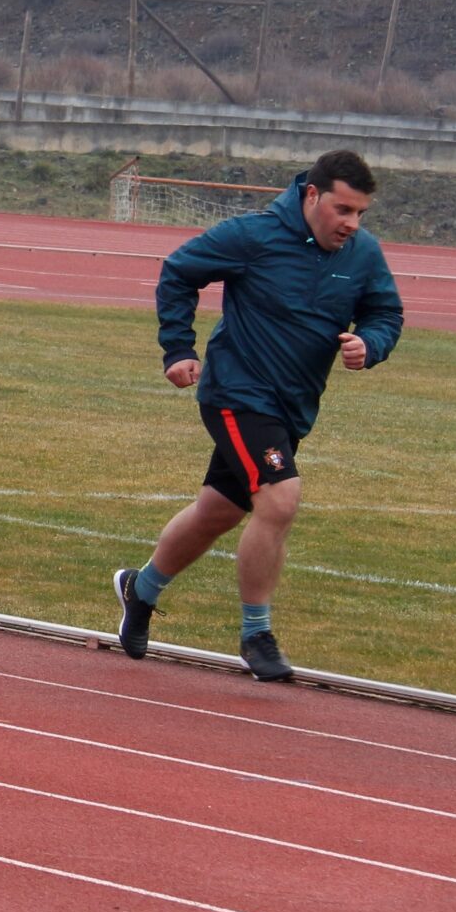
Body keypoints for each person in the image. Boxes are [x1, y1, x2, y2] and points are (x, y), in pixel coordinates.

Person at [113, 150, 403, 682]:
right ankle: (256, 633)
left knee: (218, 512)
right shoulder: (253, 235)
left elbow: (385, 312)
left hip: (294, 407)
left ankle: (142, 588)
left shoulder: (362, 254)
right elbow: (179, 271)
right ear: (311, 195)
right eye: (343, 209)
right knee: (280, 496)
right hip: (237, 395)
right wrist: (178, 349)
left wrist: (370, 342)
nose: (351, 223)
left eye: (360, 213)